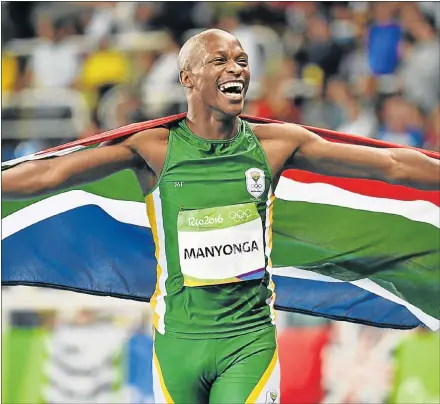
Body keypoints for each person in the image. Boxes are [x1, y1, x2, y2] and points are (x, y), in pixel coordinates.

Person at [3, 29, 439, 404]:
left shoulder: (275, 144)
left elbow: (391, 166)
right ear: (188, 78)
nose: (236, 68)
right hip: (177, 345)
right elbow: (49, 174)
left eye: (242, 61)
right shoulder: (154, 149)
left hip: (248, 341)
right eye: (220, 60)